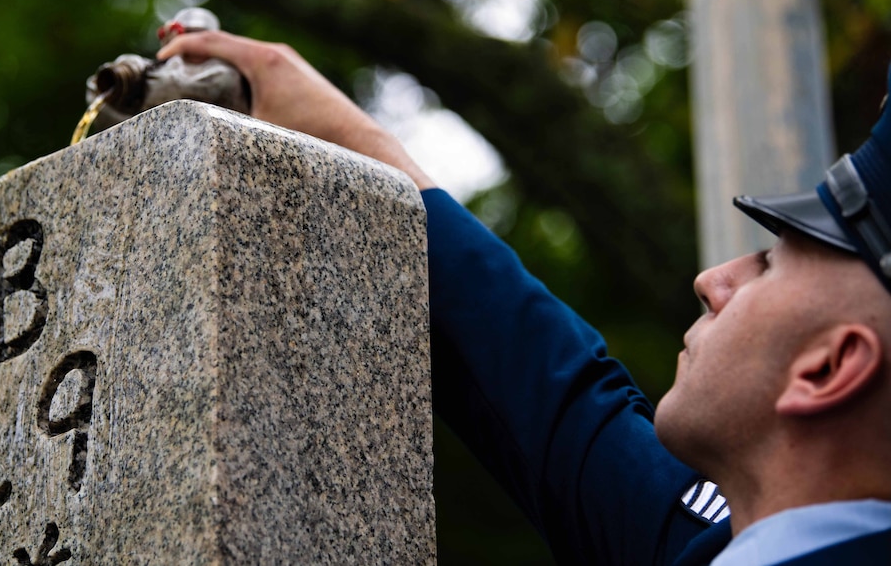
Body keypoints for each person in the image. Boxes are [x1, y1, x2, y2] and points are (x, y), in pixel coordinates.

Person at [156, 31, 891, 564]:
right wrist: (344, 137)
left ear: (829, 366)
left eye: (767, 264)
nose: (713, 280)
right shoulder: (713, 538)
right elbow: (542, 379)